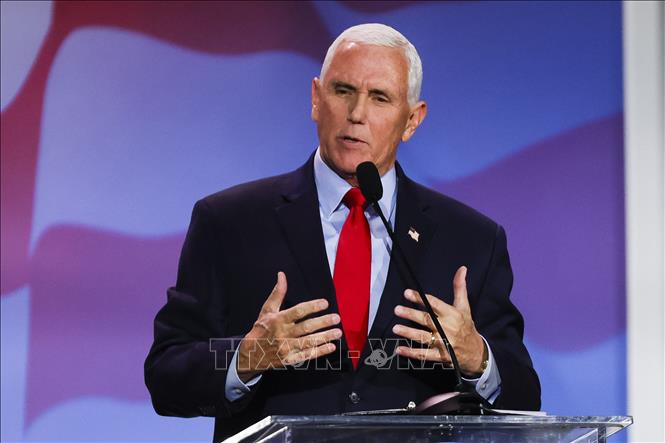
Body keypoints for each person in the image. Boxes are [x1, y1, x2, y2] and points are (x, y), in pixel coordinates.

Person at [145, 23, 540, 441]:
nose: (356, 114)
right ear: (316, 98)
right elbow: (166, 374)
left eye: (380, 97)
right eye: (343, 90)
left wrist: (479, 360)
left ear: (412, 120)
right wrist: (249, 356)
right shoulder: (229, 222)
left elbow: (525, 397)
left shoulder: (470, 240)